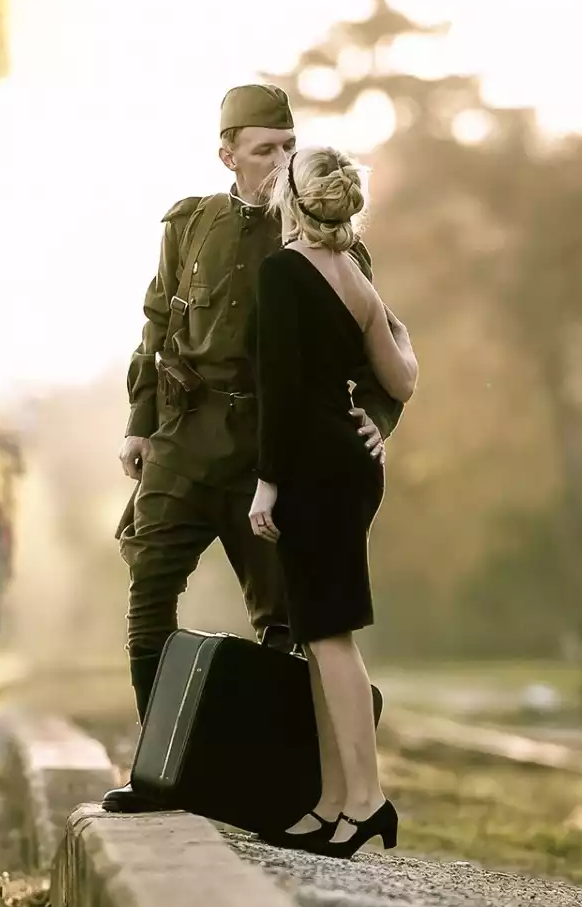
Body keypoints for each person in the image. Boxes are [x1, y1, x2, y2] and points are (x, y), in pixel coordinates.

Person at [101, 85, 406, 814]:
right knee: (149, 587)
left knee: (287, 623)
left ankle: (291, 783)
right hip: (183, 439)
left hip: (273, 451)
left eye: (289, 147)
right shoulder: (188, 226)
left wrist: (376, 416)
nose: (281, 161)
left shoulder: (325, 241)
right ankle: (157, 770)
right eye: (265, 149)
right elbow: (156, 327)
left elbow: (379, 339)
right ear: (227, 155)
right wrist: (139, 423)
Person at [247, 145, 418, 859]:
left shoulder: (283, 271)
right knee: (319, 634)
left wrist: (268, 480)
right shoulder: (356, 278)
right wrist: (393, 335)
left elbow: (279, 389)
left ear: (292, 199)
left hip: (313, 468)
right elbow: (401, 381)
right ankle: (331, 801)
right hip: (349, 462)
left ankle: (368, 801)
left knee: (330, 637)